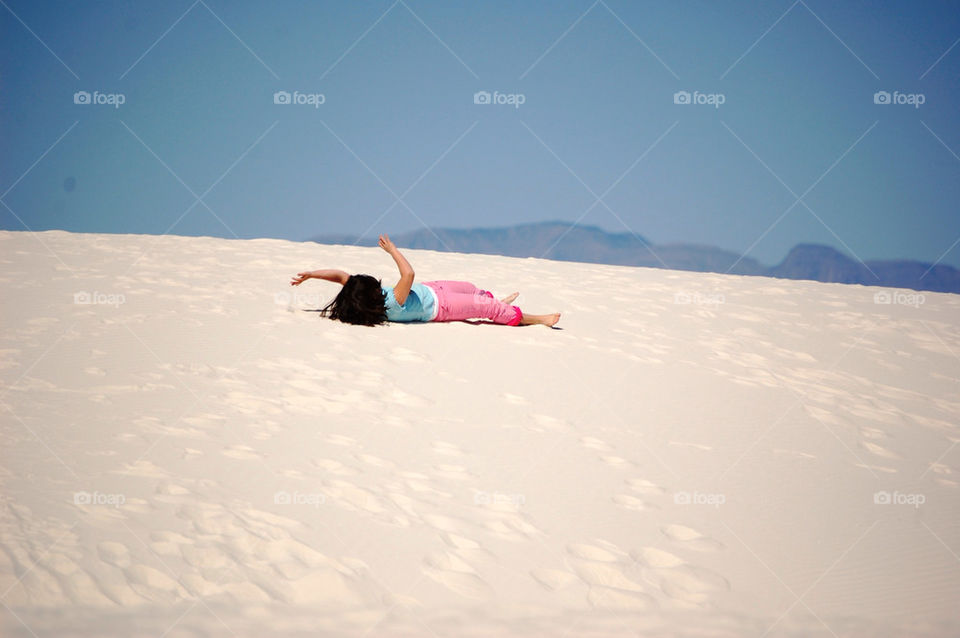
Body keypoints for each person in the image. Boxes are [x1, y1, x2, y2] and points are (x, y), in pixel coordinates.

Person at [290, 234, 561, 328]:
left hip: (433, 290)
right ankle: (536, 319)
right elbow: (408, 274)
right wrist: (392, 250)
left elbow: (341, 277)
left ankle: (496, 304)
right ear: (370, 293)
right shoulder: (392, 302)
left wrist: (312, 274)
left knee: (474, 290)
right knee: (485, 307)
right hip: (442, 308)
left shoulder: (366, 294)